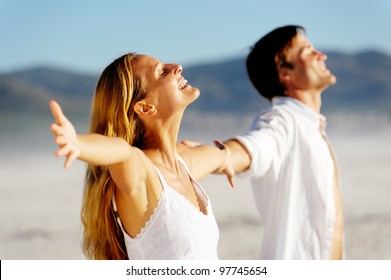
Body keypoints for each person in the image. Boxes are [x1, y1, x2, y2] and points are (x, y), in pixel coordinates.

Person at [49, 53, 234, 260]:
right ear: (145, 107)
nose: (177, 67)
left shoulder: (183, 162)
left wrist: (226, 156)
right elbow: (121, 152)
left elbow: (219, 157)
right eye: (162, 72)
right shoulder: (143, 173)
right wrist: (78, 144)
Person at [224, 25, 344, 259]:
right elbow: (257, 146)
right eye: (308, 52)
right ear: (284, 72)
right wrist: (223, 156)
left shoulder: (312, 126)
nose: (322, 55)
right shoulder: (283, 121)